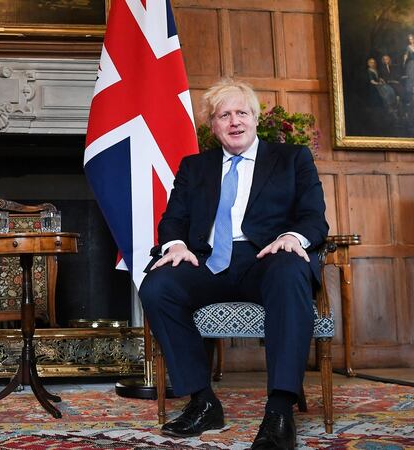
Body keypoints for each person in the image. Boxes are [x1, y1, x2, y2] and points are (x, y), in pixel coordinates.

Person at [138, 79, 328, 450]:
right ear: (213, 126)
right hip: (208, 261)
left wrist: (293, 237)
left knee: (290, 269)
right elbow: (173, 219)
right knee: (157, 286)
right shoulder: (194, 167)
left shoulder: (292, 159)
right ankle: (203, 401)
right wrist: (176, 245)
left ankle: (279, 411)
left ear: (255, 119)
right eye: (224, 115)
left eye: (242, 112)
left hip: (267, 258)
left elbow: (313, 217)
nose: (234, 121)